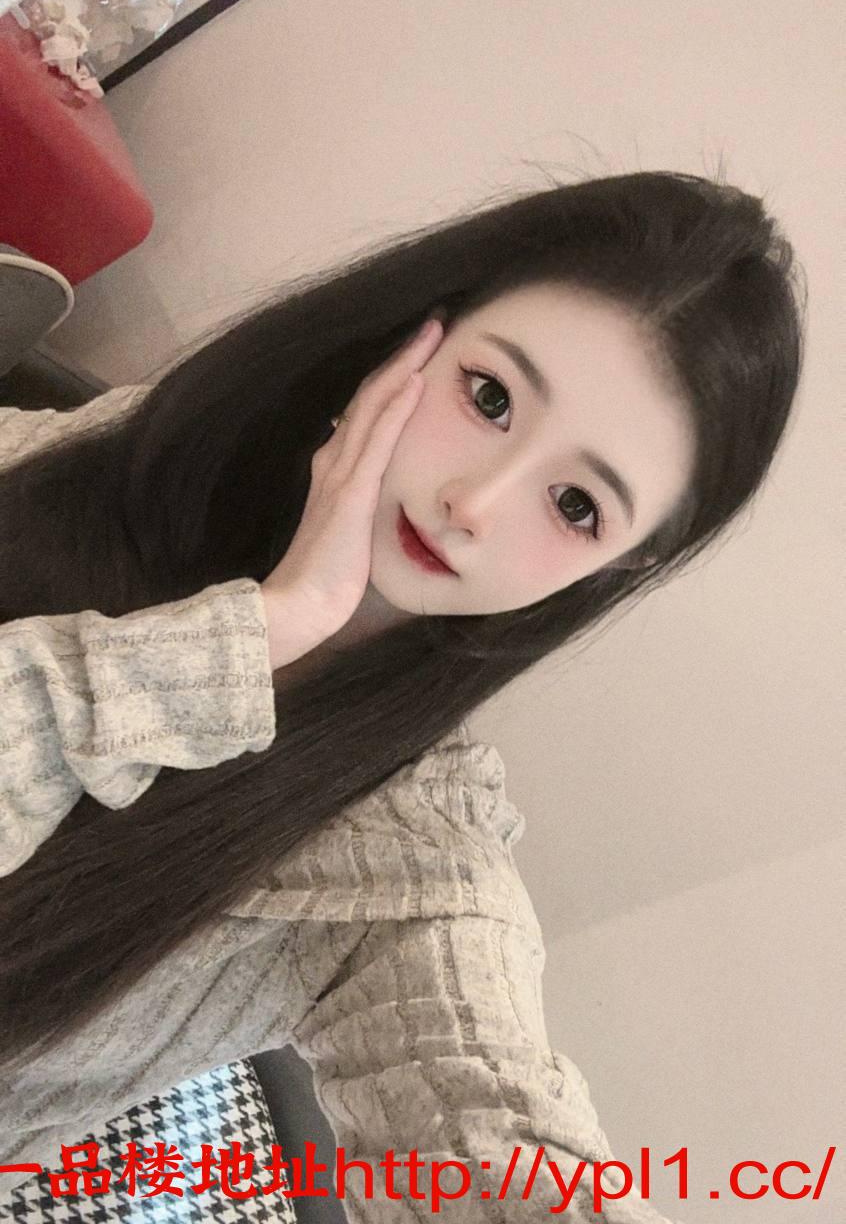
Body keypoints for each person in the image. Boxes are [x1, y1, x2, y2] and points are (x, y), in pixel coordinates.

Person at [0, 170, 805, 1219]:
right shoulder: (141, 453)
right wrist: (253, 631)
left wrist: (265, 633)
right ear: (420, 333)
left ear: (616, 566)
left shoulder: (413, 870)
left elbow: (490, 1130)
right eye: (489, 397)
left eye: (575, 504)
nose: (475, 502)